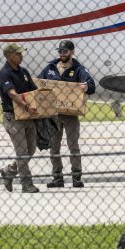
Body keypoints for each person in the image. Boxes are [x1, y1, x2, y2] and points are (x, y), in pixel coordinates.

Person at [38, 39, 96, 188]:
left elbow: (91, 84)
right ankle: (58, 178)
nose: (62, 54)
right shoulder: (50, 68)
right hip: (54, 115)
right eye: (60, 51)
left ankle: (76, 177)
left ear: (72, 52)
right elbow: (38, 82)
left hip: (70, 115)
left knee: (73, 146)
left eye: (65, 51)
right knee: (54, 147)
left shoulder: (79, 69)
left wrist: (86, 86)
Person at [0, 43, 41, 193]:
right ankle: (26, 184)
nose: (21, 56)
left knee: (31, 149)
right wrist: (27, 106)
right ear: (9, 56)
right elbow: (12, 93)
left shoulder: (24, 72)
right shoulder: (4, 74)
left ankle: (9, 171)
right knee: (22, 152)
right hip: (13, 117)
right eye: (18, 54)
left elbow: (34, 90)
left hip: (28, 116)